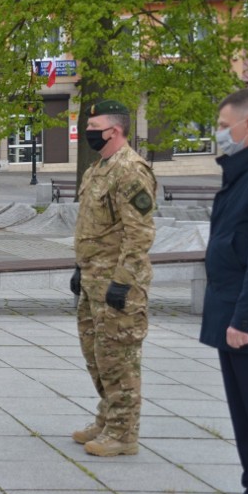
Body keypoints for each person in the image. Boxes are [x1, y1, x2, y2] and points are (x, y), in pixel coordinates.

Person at [70, 99, 157, 457]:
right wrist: (80, 267)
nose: (89, 133)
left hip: (118, 284)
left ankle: (124, 433)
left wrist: (123, 281)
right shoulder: (97, 169)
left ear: (115, 131)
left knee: (119, 356)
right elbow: (93, 225)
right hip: (93, 279)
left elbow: (140, 234)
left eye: (95, 129)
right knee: (96, 354)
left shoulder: (131, 170)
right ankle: (107, 417)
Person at [202, 88, 248, 494]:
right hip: (229, 312)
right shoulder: (240, 172)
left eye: (224, 127)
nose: (220, 135)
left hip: (245, 322)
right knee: (243, 418)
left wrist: (244, 319)